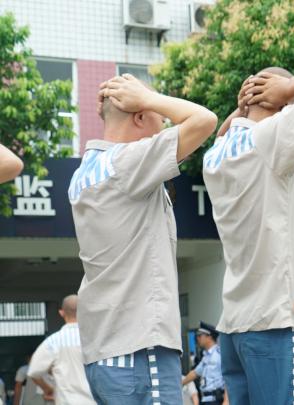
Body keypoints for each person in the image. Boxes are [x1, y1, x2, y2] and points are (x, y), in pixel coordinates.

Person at [201, 67, 294, 405]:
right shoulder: (269, 137)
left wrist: (243, 107)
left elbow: (227, 129)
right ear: (281, 103)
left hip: (237, 325)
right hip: (279, 321)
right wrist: (289, 88)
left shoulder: (216, 155)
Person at [68, 74, 218, 405]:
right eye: (157, 118)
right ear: (138, 115)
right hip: (140, 349)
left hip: (104, 352)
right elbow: (205, 120)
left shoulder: (83, 173)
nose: (163, 124)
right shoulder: (128, 161)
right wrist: (148, 97)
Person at [27, 295, 95, 405]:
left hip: (66, 401)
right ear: (84, 311)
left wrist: (48, 389)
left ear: (61, 313)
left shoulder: (53, 342)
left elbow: (34, 372)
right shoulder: (95, 340)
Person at [182, 322, 226, 405]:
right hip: (205, 400)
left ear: (209, 336)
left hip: (216, 400)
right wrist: (180, 384)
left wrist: (227, 401)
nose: (197, 338)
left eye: (199, 335)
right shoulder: (206, 356)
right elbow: (195, 373)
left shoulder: (219, 355)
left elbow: (228, 378)